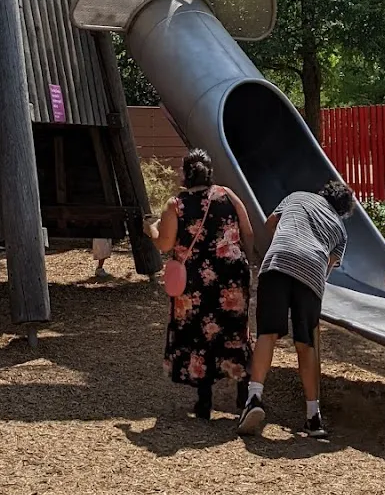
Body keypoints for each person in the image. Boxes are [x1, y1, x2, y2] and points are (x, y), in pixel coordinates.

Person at [237, 178, 353, 439]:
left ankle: (253, 398)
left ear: (322, 192)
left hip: (279, 260)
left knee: (267, 333)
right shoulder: (341, 232)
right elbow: (328, 267)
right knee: (306, 344)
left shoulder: (297, 196)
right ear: (342, 211)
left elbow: (269, 225)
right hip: (311, 273)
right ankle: (313, 416)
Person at [144, 147, 254, 420]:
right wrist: (245, 263)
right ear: (209, 172)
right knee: (234, 330)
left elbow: (166, 243)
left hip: (194, 281)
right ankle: (243, 392)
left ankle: (204, 400)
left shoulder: (176, 205)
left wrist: (151, 230)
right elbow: (247, 231)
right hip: (231, 275)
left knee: (198, 333)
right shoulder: (227, 195)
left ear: (185, 173)